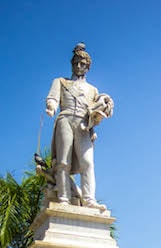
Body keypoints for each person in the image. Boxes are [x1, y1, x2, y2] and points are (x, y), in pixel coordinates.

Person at [45, 43, 113, 208]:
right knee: (63, 161)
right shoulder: (60, 82)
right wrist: (51, 106)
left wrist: (103, 108)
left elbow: (96, 110)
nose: (78, 66)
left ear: (88, 67)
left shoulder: (93, 89)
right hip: (65, 119)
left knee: (87, 163)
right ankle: (64, 198)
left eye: (82, 64)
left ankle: (89, 200)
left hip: (84, 125)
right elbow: (53, 97)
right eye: (75, 63)